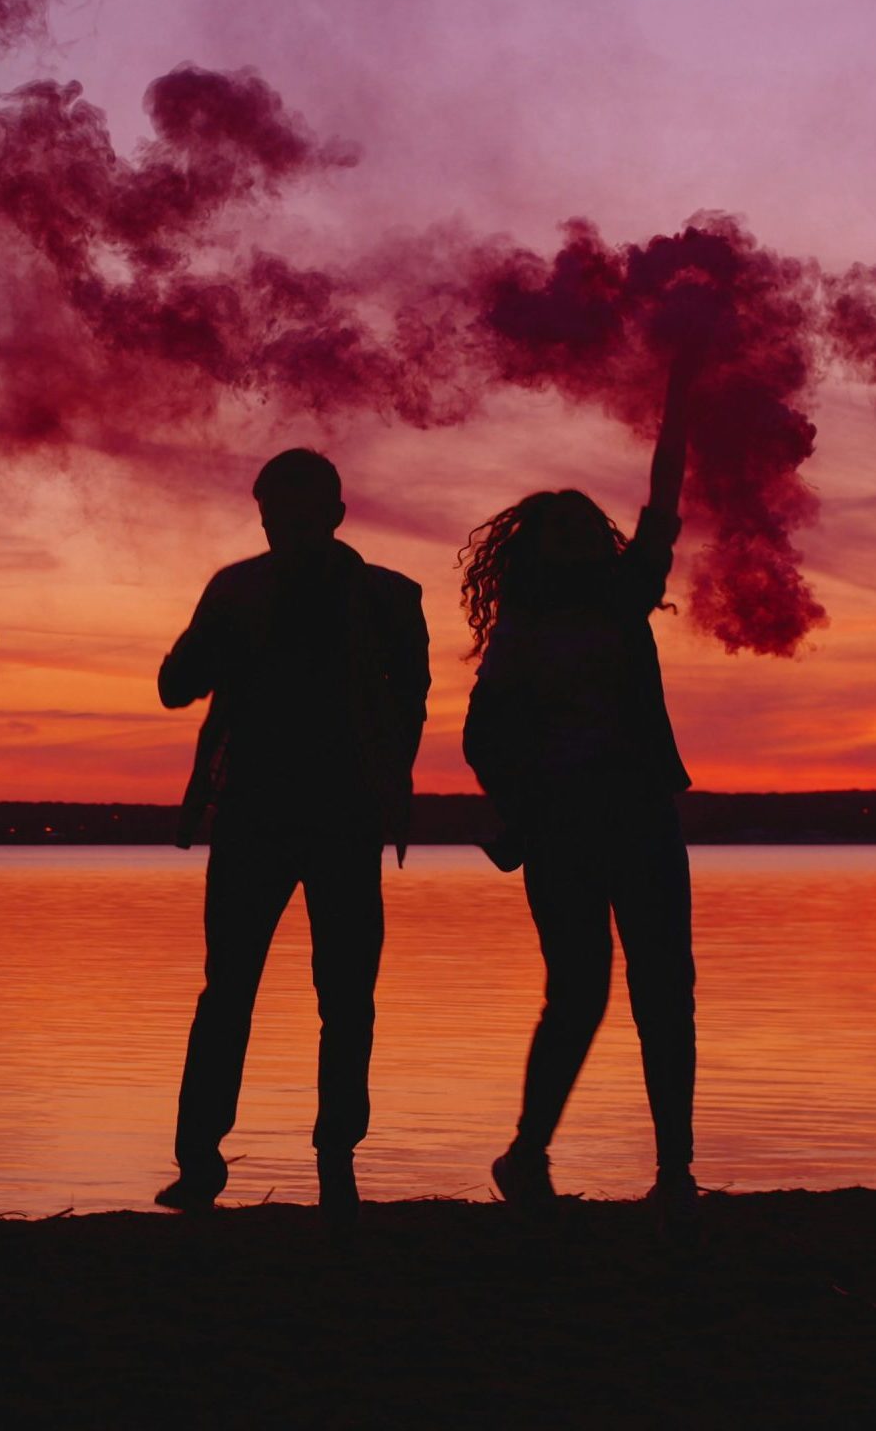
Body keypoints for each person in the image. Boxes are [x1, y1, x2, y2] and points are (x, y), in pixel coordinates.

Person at [155, 448, 429, 1235]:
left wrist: (390, 792)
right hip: (255, 814)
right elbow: (178, 688)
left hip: (343, 816)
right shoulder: (238, 589)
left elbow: (409, 707)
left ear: (336, 516)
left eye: (304, 514)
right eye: (279, 516)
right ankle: (201, 1165)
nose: (290, 528)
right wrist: (212, 648)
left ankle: (334, 1161)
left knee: (343, 996)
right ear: (265, 516)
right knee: (230, 993)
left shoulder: (387, 598)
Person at [461, 350, 701, 1230]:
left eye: (577, 532)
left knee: (664, 988)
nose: (568, 544)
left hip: (639, 818)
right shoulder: (519, 634)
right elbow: (480, 736)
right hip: (563, 829)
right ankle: (527, 1155)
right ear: (532, 552)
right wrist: (520, 805)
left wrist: (679, 395)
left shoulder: (623, 596)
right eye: (553, 534)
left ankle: (675, 1171)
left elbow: (665, 497)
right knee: (581, 993)